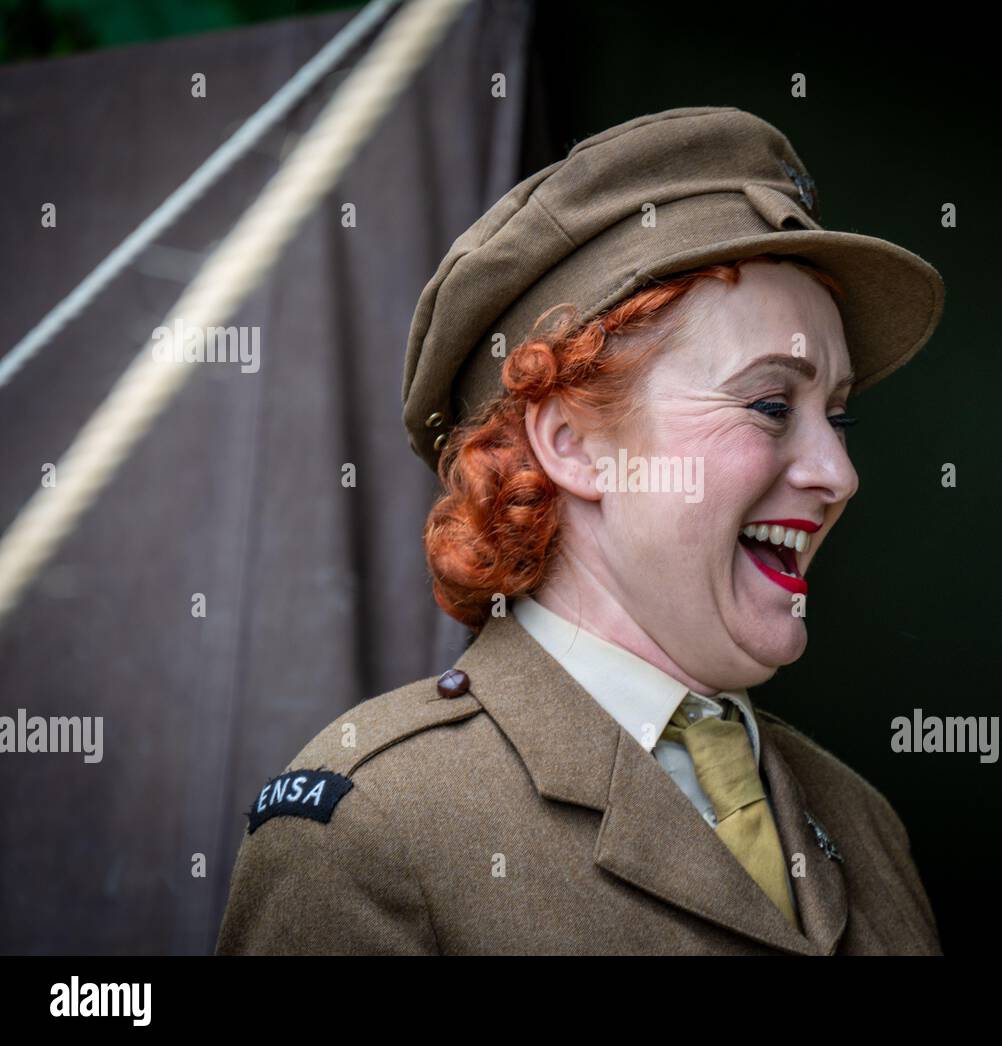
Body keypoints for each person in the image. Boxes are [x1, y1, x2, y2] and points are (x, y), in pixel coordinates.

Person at [215, 106, 945, 955]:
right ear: (575, 445)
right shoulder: (374, 831)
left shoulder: (862, 823)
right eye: (772, 405)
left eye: (840, 418)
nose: (838, 474)